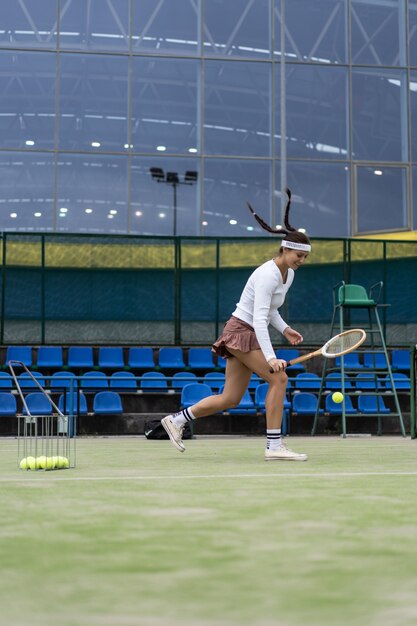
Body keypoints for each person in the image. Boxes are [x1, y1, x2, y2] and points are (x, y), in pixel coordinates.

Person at [161, 190, 311, 461]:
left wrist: (285, 328)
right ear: (285, 249)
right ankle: (274, 446)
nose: (301, 261)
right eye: (298, 255)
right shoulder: (267, 274)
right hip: (241, 331)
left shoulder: (288, 275)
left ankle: (177, 420)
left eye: (304, 257)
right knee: (278, 378)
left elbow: (270, 311)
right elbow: (256, 319)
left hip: (248, 331)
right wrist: (271, 358)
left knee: (230, 398)